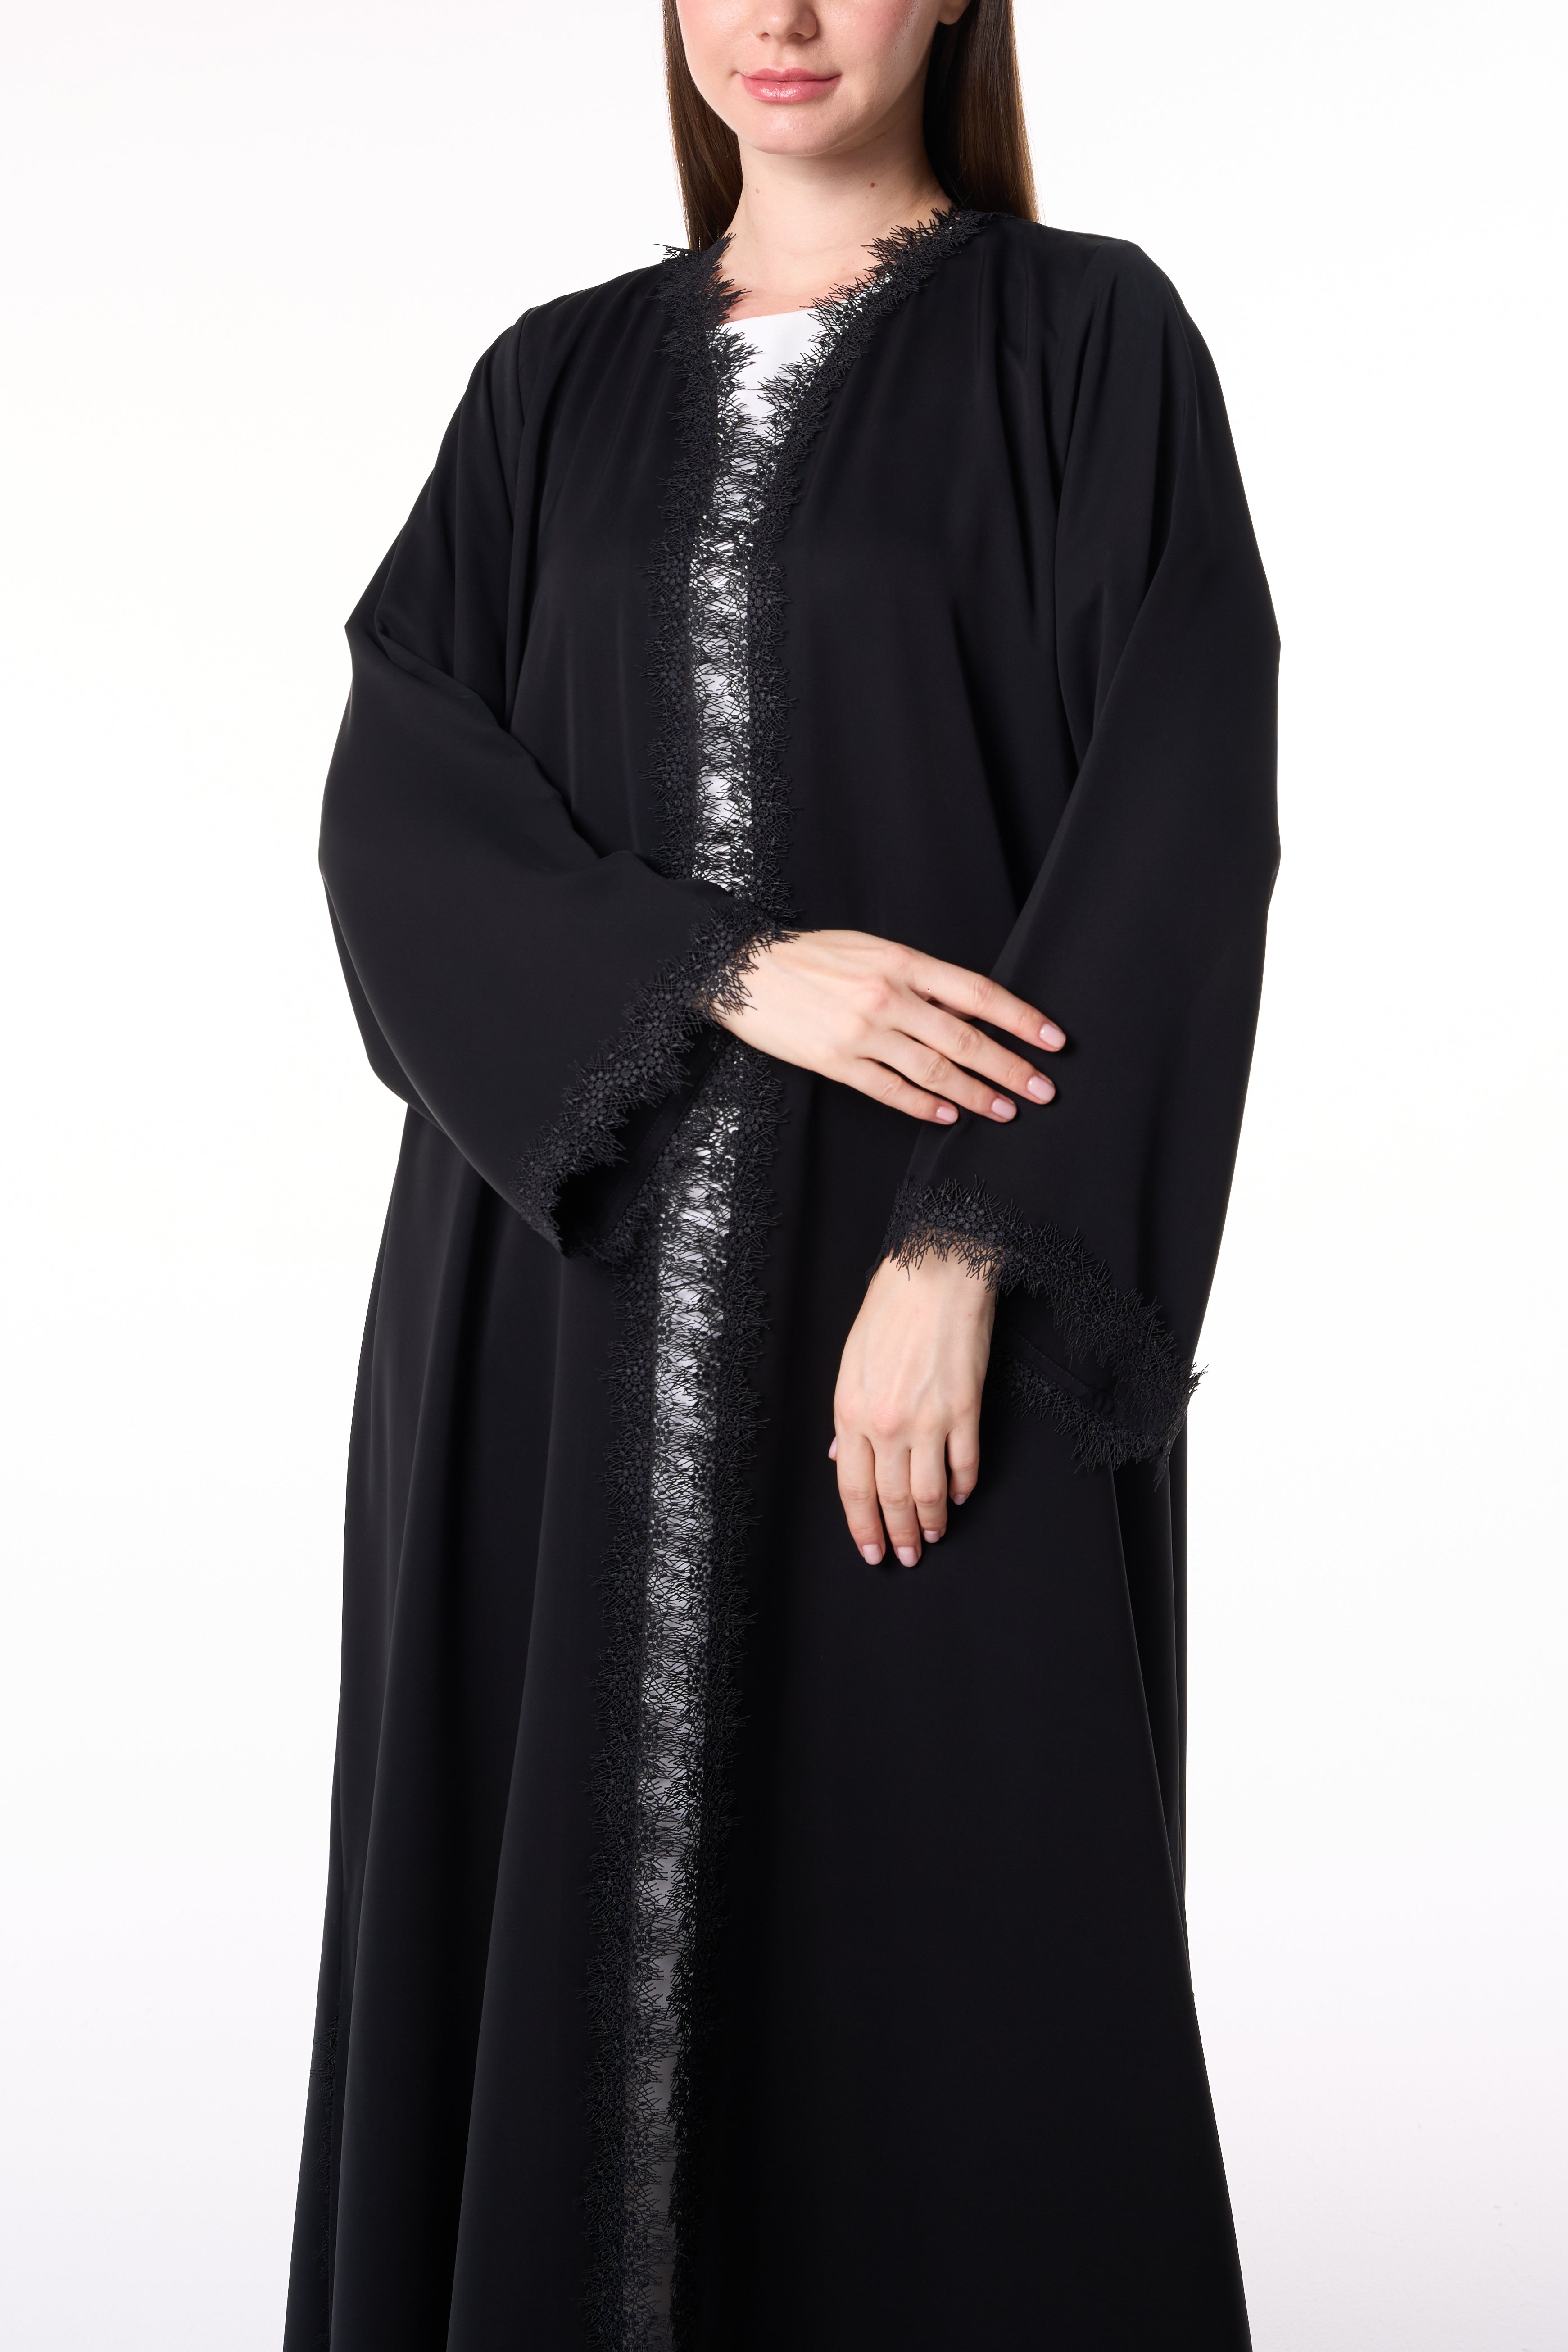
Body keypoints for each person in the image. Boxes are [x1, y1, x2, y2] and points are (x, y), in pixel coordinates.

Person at [283, 2, 1278, 2345]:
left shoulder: (1088, 346)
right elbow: (395, 808)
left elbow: (1177, 816)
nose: (789, 15)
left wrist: (967, 1247)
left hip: (932, 1301)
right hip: (555, 1306)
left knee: (959, 1960)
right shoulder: (547, 387)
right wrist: (723, 968)